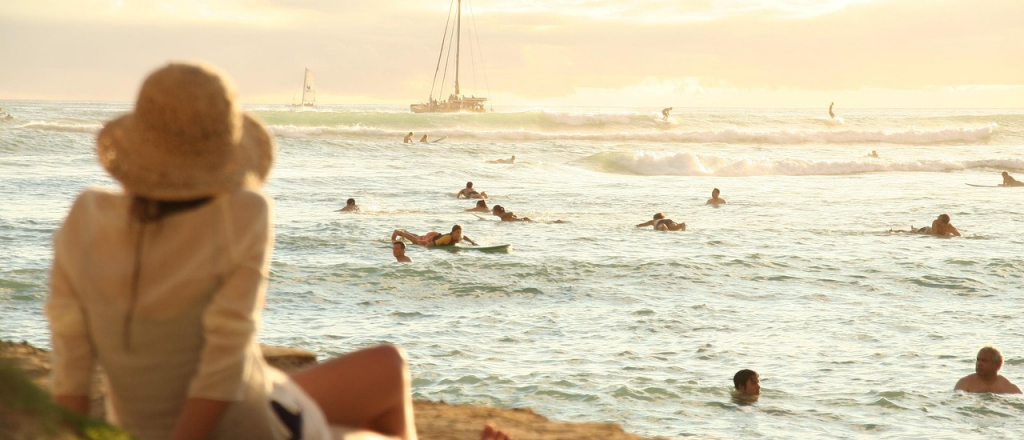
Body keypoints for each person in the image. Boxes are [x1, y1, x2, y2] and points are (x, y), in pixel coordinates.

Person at [45, 62, 421, 440]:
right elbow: (223, 367)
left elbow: (71, 372)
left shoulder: (86, 217)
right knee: (390, 369)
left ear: (142, 144)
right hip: (248, 423)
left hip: (149, 425)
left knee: (383, 372)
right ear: (223, 151)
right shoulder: (242, 213)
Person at [954, 346, 1022, 394]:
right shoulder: (965, 384)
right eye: (978, 360)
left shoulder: (1009, 388)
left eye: (984, 361)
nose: (979, 363)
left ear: (997, 365)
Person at [391, 224, 478, 247]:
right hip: (431, 237)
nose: (459, 234)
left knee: (419, 237)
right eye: (457, 232)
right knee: (416, 241)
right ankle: (398, 232)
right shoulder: (447, 238)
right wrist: (424, 251)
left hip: (435, 234)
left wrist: (472, 242)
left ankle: (405, 232)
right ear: (452, 232)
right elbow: (430, 244)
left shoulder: (458, 237)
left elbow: (464, 237)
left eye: (460, 232)